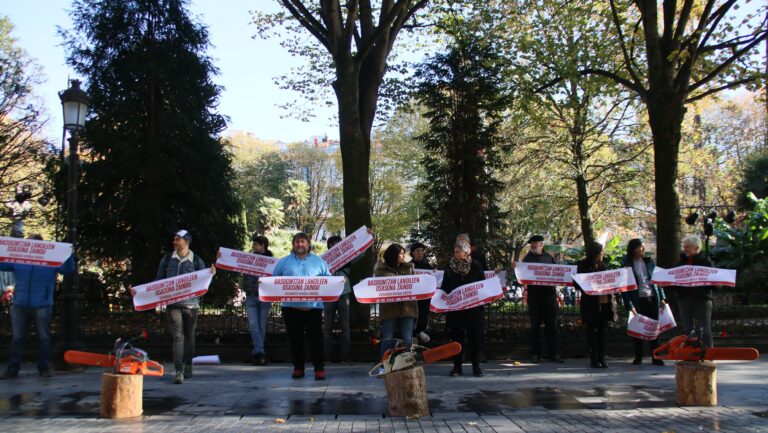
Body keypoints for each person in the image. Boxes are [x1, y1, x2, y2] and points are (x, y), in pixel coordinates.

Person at [0, 234, 75, 379]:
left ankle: (28, 368)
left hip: (33, 303)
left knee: (35, 338)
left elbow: (68, 270)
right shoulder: (37, 260)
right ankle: (33, 369)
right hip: (28, 303)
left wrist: (70, 254)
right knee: (30, 338)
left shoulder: (31, 259)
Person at [148, 229, 215, 384]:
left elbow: (205, 282)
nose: (174, 242)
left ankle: (188, 366)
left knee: (189, 337)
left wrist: (210, 274)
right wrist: (140, 293)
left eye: (178, 239)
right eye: (174, 239)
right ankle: (179, 371)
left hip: (191, 305)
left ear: (187, 241)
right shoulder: (167, 259)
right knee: (178, 337)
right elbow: (158, 281)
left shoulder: (197, 260)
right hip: (173, 305)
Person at [273, 232, 331, 380]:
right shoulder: (284, 262)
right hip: (290, 308)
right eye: (297, 242)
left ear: (308, 244)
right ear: (293, 245)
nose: (300, 244)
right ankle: (298, 368)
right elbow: (274, 280)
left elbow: (328, 280)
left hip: (314, 308)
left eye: (303, 242)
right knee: (295, 339)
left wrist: (338, 283)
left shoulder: (319, 261)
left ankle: (319, 368)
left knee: (316, 340)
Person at [512, 235, 562, 363]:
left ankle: (554, 353)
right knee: (535, 326)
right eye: (531, 243)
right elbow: (520, 277)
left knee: (552, 326)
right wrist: (515, 269)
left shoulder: (549, 257)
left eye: (535, 243)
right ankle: (535, 353)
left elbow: (558, 274)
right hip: (534, 297)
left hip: (549, 296)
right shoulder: (527, 259)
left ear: (541, 244)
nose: (533, 245)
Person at [442, 241, 486, 377]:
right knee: (456, 339)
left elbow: (482, 285)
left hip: (474, 310)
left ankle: (476, 367)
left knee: (475, 339)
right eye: (454, 252)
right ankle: (457, 367)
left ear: (466, 253)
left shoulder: (476, 266)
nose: (455, 254)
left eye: (457, 251)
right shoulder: (449, 267)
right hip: (456, 310)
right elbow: (445, 286)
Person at [621, 239, 666, 366]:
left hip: (651, 297)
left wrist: (662, 297)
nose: (643, 250)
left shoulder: (649, 262)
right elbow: (624, 287)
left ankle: (655, 356)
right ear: (635, 249)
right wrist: (629, 305)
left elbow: (658, 280)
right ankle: (638, 356)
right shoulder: (627, 264)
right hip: (637, 299)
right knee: (637, 327)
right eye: (641, 247)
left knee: (654, 327)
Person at [575, 242, 616, 369]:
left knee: (602, 332)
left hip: (604, 303)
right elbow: (578, 284)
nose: (602, 254)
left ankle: (601, 358)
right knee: (592, 331)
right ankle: (594, 359)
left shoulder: (603, 265)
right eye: (600, 252)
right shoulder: (583, 265)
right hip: (591, 304)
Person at [374, 244, 418, 361]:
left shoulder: (409, 268)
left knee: (407, 339)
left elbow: (415, 285)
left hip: (408, 308)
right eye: (401, 254)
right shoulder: (380, 269)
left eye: (404, 253)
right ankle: (384, 364)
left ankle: (406, 364)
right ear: (393, 255)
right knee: (388, 338)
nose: (403, 256)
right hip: (389, 309)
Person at [674, 235, 715, 349]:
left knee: (704, 328)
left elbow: (714, 282)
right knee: (688, 329)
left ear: (696, 248)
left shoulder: (706, 262)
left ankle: (708, 354)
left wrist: (718, 284)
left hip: (702, 299)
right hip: (684, 299)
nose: (685, 249)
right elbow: (674, 283)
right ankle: (690, 353)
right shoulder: (680, 264)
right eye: (684, 246)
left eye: (687, 247)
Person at [244, 235, 272, 365]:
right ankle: (260, 352)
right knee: (254, 326)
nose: (253, 246)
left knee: (261, 326)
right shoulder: (249, 259)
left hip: (264, 297)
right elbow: (244, 274)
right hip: (251, 296)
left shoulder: (271, 260)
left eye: (256, 244)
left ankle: (258, 353)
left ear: (263, 246)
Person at [323, 235, 351, 363]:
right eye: (333, 244)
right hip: (328, 293)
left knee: (345, 325)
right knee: (327, 325)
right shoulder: (324, 259)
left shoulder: (347, 256)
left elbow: (360, 252)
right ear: (329, 246)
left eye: (338, 244)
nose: (335, 247)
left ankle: (345, 356)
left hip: (343, 292)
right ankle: (327, 356)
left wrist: (367, 237)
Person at [409, 242, 433, 343]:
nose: (420, 253)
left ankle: (420, 332)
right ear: (413, 253)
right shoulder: (409, 266)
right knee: (412, 317)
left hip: (425, 298)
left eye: (422, 251)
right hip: (412, 298)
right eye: (418, 251)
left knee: (423, 315)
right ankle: (413, 334)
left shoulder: (428, 266)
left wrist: (434, 273)